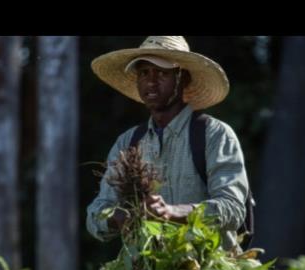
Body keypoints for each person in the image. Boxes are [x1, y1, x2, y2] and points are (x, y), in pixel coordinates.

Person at [86, 36, 250, 252]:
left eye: (162, 73)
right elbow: (95, 214)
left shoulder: (214, 135)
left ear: (182, 78)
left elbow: (233, 209)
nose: (151, 81)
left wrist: (174, 212)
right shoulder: (128, 143)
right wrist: (118, 217)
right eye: (144, 73)